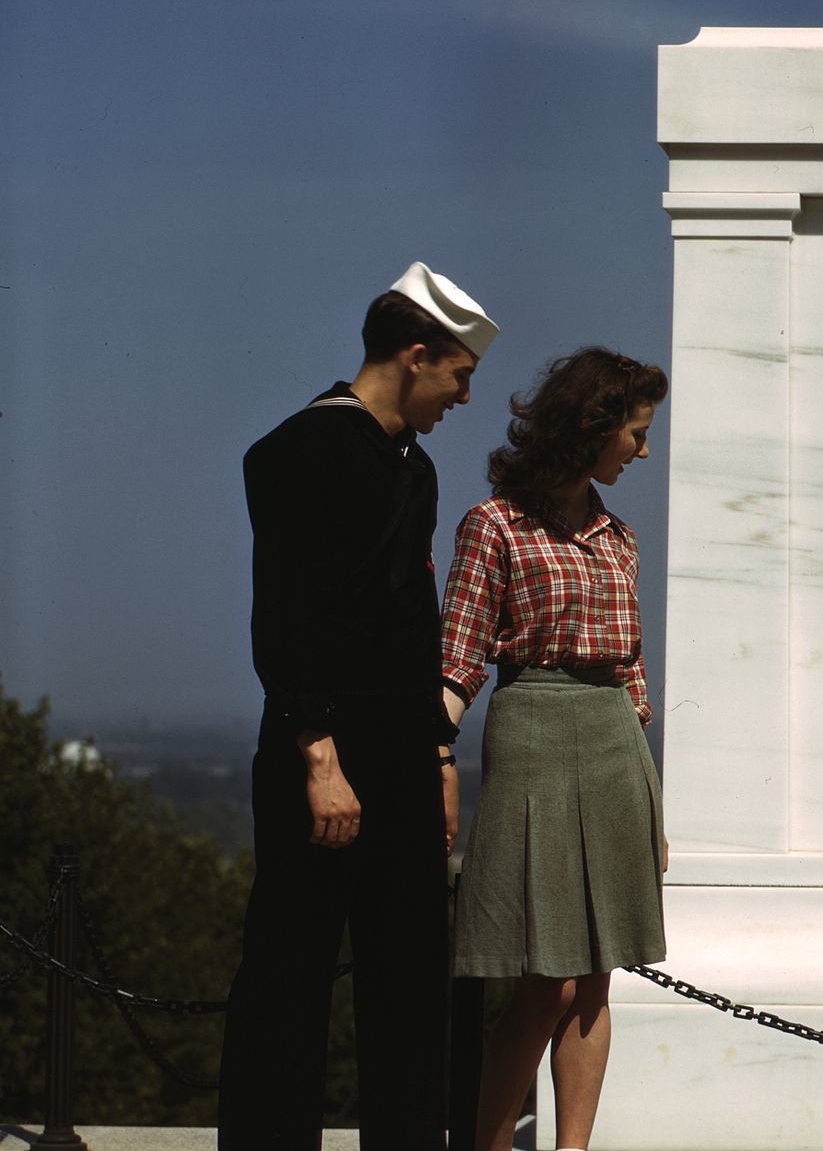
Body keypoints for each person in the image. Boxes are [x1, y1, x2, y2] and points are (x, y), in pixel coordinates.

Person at [220, 262, 497, 1151]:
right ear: (417, 357)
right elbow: (288, 616)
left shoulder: (412, 468)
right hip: (323, 752)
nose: (461, 396)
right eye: (459, 375)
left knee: (411, 981)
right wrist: (320, 758)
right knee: (290, 979)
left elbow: (409, 628)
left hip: (402, 755)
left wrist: (437, 759)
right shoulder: (299, 450)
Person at [439, 346, 669, 1151]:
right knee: (543, 980)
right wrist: (436, 759)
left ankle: (572, 1148)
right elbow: (458, 658)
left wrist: (653, 804)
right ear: (594, 426)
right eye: (635, 433)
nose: (642, 450)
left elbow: (633, 672)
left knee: (597, 974)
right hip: (532, 728)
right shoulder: (493, 524)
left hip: (613, 740)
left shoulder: (620, 536)